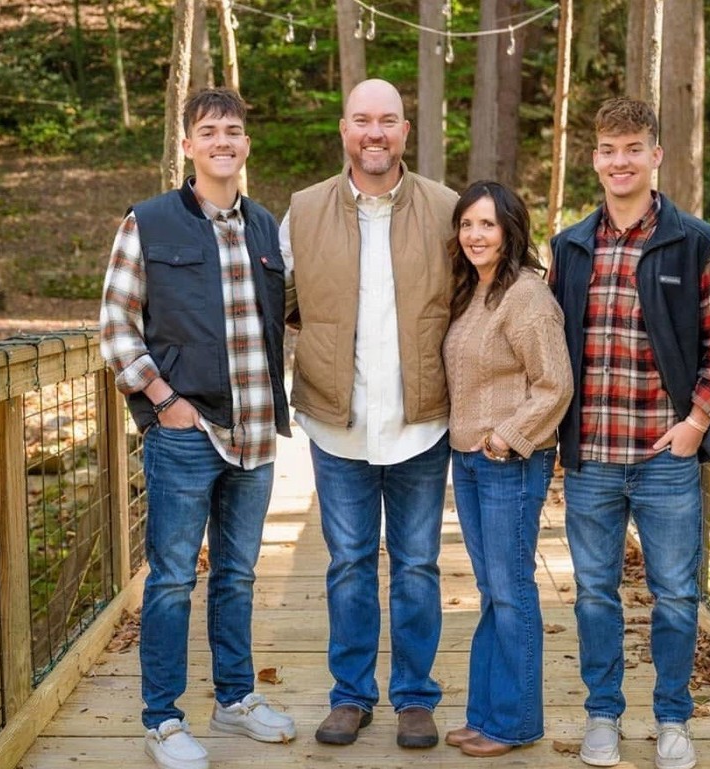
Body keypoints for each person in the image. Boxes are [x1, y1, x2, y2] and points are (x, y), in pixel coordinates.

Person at [100, 87, 296, 769]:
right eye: (208, 131)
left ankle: (235, 699)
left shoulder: (266, 227)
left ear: (246, 145)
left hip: (256, 434)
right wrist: (163, 399)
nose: (222, 141)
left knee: (237, 575)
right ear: (188, 145)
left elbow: (290, 317)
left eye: (233, 131)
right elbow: (116, 323)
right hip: (185, 432)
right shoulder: (149, 222)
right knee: (172, 579)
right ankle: (163, 718)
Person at [548, 97, 710, 769]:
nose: (620, 161)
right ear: (595, 159)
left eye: (633, 148)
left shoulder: (696, 242)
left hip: (666, 456)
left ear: (655, 155)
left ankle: (672, 717)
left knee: (677, 594)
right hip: (591, 458)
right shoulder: (570, 246)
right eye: (608, 149)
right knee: (594, 593)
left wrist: (696, 423)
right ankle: (603, 713)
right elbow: (551, 347)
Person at [279, 78, 458, 749]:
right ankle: (351, 695)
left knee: (416, 565)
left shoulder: (446, 208)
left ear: (405, 131)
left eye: (387, 120)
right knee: (350, 563)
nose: (374, 133)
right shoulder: (303, 211)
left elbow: (483, 293)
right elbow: (279, 299)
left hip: (422, 421)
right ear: (344, 130)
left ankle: (414, 697)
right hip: (337, 422)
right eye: (362, 120)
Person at [441, 181, 572, 758]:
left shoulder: (527, 296)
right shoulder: (473, 290)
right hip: (470, 459)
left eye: (488, 224)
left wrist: (506, 436)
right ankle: (486, 715)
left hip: (509, 462)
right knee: (493, 591)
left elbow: (555, 384)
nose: (475, 235)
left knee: (511, 590)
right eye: (467, 223)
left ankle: (515, 724)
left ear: (509, 231)